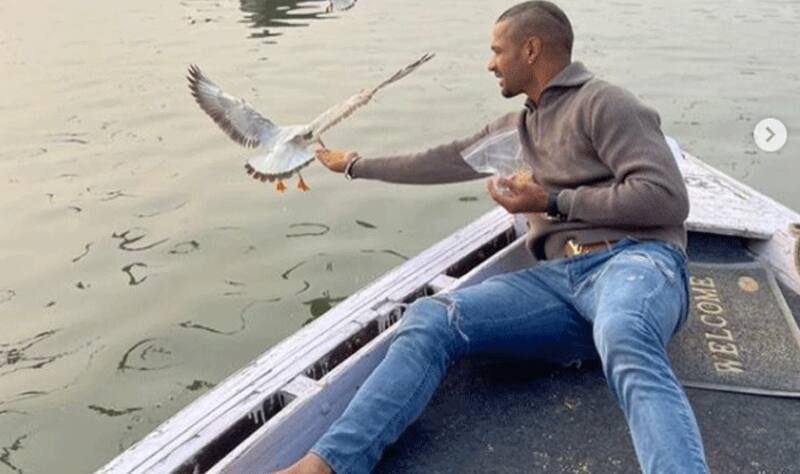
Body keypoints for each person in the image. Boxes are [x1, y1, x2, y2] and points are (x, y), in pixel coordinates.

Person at [274, 1, 709, 473]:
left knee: (622, 330)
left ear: (531, 49)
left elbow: (666, 198)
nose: (490, 63)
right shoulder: (518, 129)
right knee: (433, 318)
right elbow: (443, 161)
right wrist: (356, 166)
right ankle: (326, 465)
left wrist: (552, 201)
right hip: (562, 286)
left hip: (636, 263)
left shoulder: (603, 102)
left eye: (497, 51)